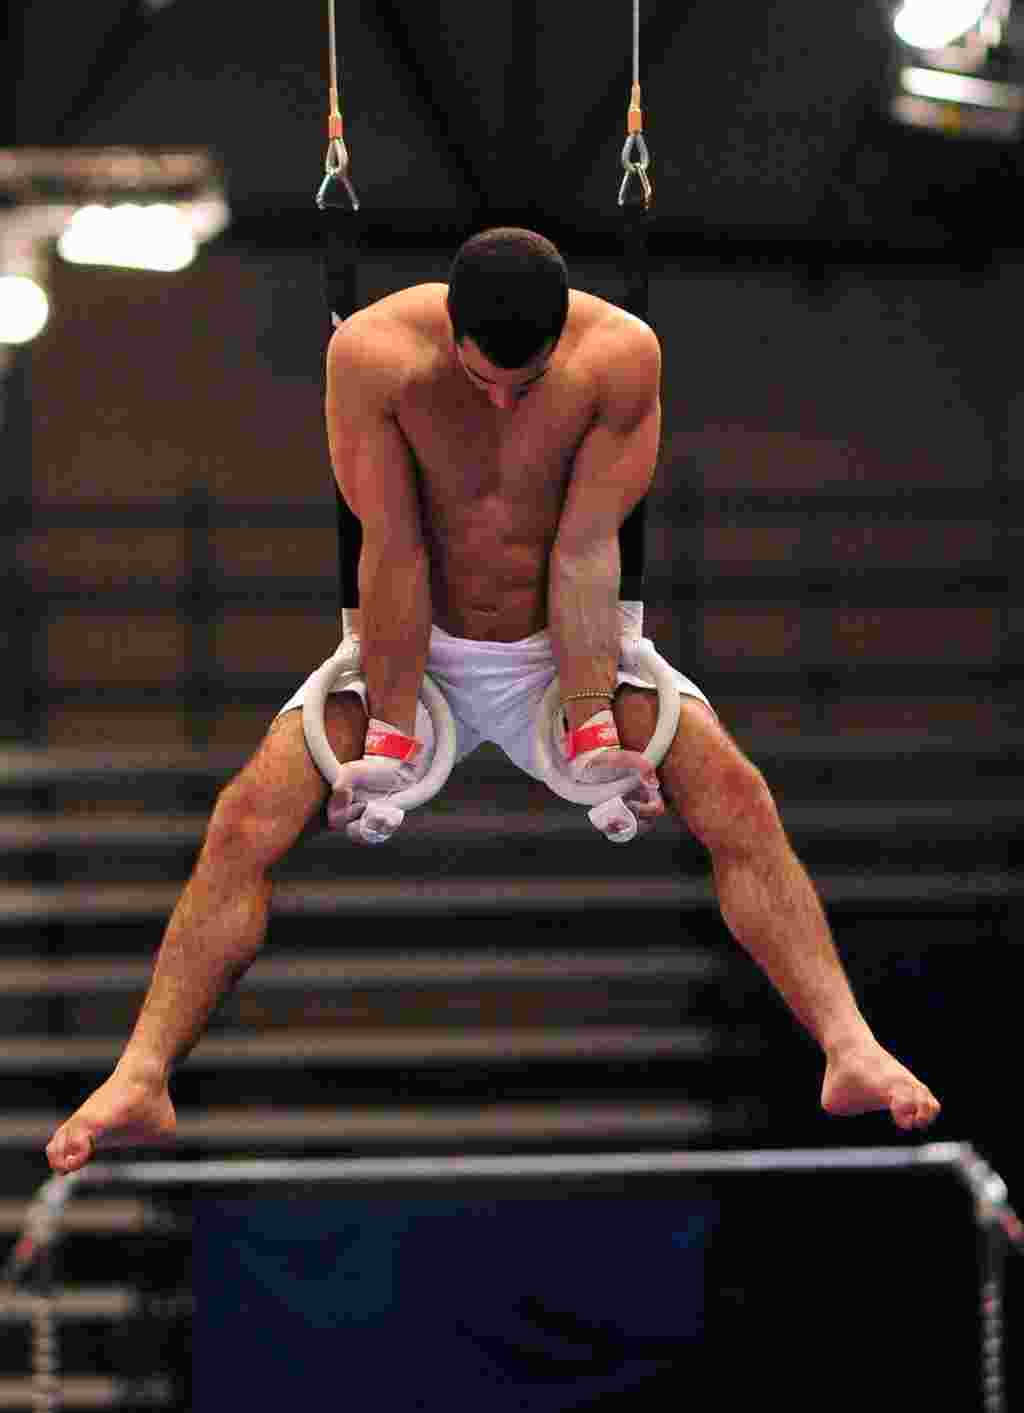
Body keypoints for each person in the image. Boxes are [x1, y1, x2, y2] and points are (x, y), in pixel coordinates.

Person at [46, 228, 939, 1174]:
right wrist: (389, 719)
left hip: (566, 639)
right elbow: (391, 547)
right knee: (245, 820)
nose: (507, 401)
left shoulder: (620, 356)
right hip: (412, 637)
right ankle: (142, 1073)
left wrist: (592, 709)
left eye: (528, 382)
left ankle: (848, 1043)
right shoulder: (373, 355)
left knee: (739, 799)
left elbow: (588, 549)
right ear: (450, 332)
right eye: (484, 383)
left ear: (561, 336)